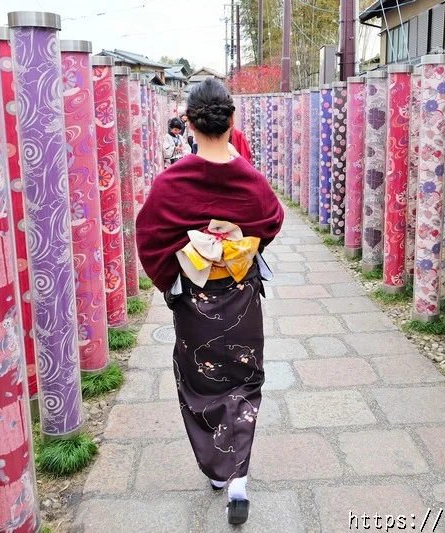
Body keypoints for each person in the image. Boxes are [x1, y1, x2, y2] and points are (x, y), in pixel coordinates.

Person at [136, 79, 283, 525]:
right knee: (244, 378)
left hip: (195, 299)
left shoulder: (171, 182)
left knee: (199, 383)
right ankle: (238, 477)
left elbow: (149, 237)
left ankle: (221, 473)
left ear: (191, 123)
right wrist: (240, 244)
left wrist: (172, 275)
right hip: (239, 296)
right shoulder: (250, 180)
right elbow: (271, 221)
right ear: (231, 120)